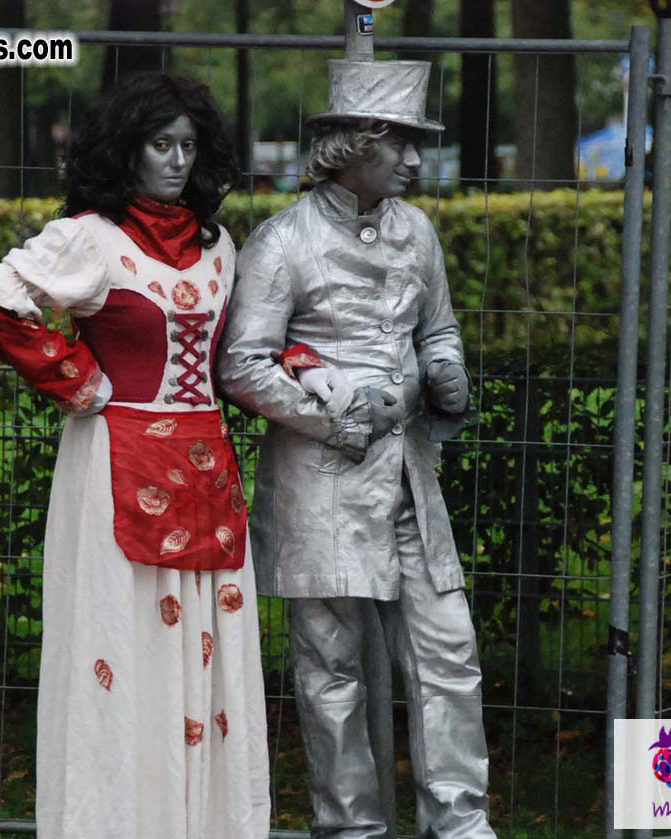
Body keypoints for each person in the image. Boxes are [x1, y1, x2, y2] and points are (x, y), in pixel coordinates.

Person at [0, 73, 269, 839]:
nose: (174, 160)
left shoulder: (219, 246)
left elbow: (233, 350)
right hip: (114, 463)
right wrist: (73, 376)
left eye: (187, 146)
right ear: (125, 150)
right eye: (159, 145)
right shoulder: (90, 240)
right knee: (118, 640)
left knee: (207, 648)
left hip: (206, 470)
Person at [216, 59, 496, 839]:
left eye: (416, 143)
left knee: (446, 648)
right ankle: (350, 826)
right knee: (330, 665)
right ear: (352, 145)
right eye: (399, 142)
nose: (413, 159)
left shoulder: (418, 231)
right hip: (320, 478)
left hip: (409, 475)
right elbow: (242, 363)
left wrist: (445, 369)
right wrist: (332, 419)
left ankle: (461, 821)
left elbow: (436, 326)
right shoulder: (283, 241)